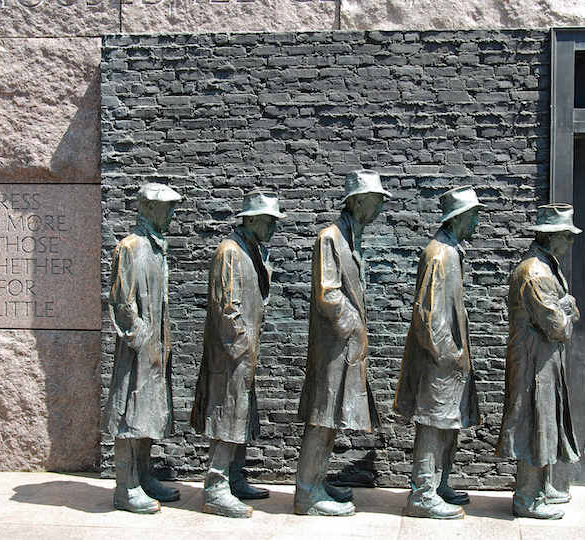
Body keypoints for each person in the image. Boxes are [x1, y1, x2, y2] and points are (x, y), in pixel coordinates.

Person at [294, 170, 391, 516]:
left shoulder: (352, 237)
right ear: (359, 201)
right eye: (376, 201)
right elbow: (328, 293)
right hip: (333, 347)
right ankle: (306, 493)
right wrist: (355, 328)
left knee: (332, 418)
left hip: (345, 348)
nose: (380, 209)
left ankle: (316, 481)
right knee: (322, 417)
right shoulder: (330, 238)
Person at [190, 191, 285, 518]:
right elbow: (226, 309)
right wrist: (242, 347)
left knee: (240, 414)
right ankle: (215, 487)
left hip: (244, 353)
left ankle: (234, 476)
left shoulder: (252, 250)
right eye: (270, 221)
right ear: (253, 220)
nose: (273, 227)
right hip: (232, 354)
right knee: (227, 414)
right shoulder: (229, 251)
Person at [393, 186, 484, 520]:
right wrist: (448, 355)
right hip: (439, 361)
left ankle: (439, 483)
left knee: (449, 423)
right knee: (432, 424)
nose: (477, 222)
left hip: (449, 361)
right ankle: (422, 493)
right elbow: (428, 315)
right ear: (458, 218)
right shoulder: (439, 254)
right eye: (473, 215)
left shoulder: (450, 251)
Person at [497, 203, 582, 519]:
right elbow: (558, 325)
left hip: (544, 359)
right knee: (534, 424)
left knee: (546, 422)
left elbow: (561, 313)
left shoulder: (547, 265)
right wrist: (568, 310)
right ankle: (527, 498)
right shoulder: (535, 272)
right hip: (533, 361)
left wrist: (565, 309)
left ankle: (542, 488)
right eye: (567, 236)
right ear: (552, 236)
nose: (570, 242)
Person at [103, 182, 182, 514]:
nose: (172, 214)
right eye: (167, 208)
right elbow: (122, 303)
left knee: (147, 411)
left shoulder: (156, 246)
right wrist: (141, 337)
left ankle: (145, 476)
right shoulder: (131, 247)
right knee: (129, 414)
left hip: (154, 347)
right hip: (138, 349)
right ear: (148, 209)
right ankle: (126, 486)